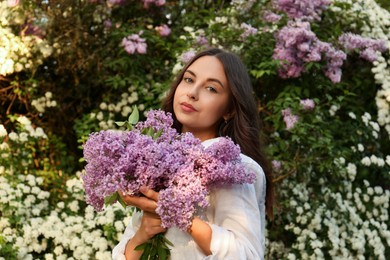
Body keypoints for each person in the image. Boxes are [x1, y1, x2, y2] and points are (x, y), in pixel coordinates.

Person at [112, 48, 274, 260]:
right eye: (189, 80)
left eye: (211, 88)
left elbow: (247, 255)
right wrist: (145, 232)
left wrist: (178, 213)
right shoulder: (154, 161)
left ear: (229, 110)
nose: (192, 92)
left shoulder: (233, 167)